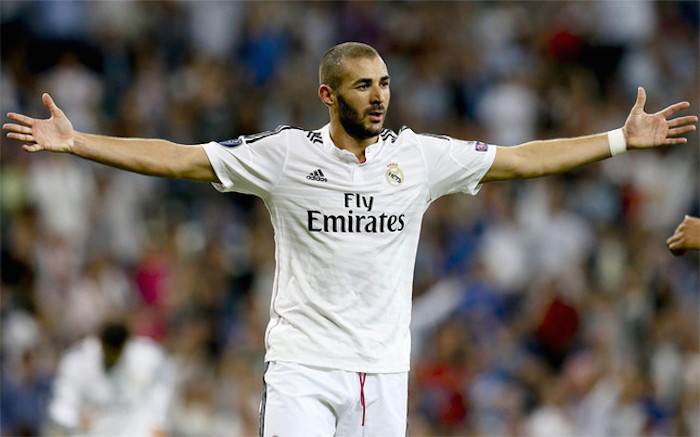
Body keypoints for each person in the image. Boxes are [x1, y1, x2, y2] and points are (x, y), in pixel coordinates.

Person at [4, 42, 697, 437]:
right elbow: (182, 156)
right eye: (363, 85)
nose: (378, 96)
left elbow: (521, 158)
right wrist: (77, 143)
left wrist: (617, 140)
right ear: (327, 96)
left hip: (384, 372)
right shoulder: (283, 155)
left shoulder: (419, 157)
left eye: (385, 84)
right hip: (303, 366)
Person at [44, 321, 177, 437]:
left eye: (118, 352)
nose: (114, 357)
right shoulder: (77, 361)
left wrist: (159, 422)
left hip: (133, 430)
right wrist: (75, 419)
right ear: (101, 344)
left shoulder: (146, 356)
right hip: (92, 431)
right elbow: (60, 405)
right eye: (109, 352)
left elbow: (163, 387)